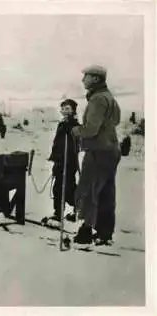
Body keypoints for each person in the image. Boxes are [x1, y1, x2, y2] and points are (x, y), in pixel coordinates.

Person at [71, 65, 121, 246]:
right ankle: (104, 233)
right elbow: (115, 120)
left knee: (90, 190)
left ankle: (85, 231)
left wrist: (76, 130)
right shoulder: (109, 97)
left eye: (87, 76)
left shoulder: (98, 99)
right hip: (110, 150)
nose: (83, 79)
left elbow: (91, 129)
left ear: (97, 79)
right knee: (105, 192)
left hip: (98, 152)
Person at [45, 99, 80, 222]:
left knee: (69, 189)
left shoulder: (75, 125)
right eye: (63, 109)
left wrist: (69, 129)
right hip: (59, 161)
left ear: (73, 110)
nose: (65, 111)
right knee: (58, 188)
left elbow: (76, 143)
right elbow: (57, 142)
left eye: (68, 109)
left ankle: (79, 210)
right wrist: (54, 157)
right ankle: (58, 213)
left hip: (69, 162)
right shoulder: (61, 124)